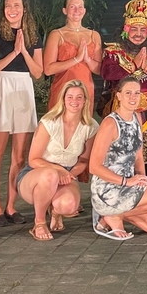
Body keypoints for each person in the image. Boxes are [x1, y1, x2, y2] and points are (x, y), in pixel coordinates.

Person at [0, 0, 44, 227]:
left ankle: (11, 206)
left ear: (24, 9)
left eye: (16, 5)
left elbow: (38, 73)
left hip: (23, 90)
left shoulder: (32, 36)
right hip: (1, 88)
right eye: (8, 6)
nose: (12, 9)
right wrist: (13, 53)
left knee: (19, 156)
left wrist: (24, 51)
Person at [90, 75, 147, 239]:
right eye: (128, 93)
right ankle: (111, 213)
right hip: (109, 189)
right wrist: (126, 182)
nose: (133, 97)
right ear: (119, 95)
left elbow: (138, 155)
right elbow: (94, 167)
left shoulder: (136, 118)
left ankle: (116, 215)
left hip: (130, 183)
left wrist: (142, 178)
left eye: (137, 93)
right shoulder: (110, 124)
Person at [17, 80, 99, 240]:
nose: (74, 101)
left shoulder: (90, 126)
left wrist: (68, 175)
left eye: (79, 97)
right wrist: (59, 170)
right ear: (63, 99)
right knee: (50, 175)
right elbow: (33, 159)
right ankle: (39, 222)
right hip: (37, 174)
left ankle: (55, 211)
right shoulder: (49, 122)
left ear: (84, 101)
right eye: (70, 97)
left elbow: (83, 161)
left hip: (67, 173)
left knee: (68, 206)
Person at [100, 0, 147, 173]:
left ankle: (146, 191)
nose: (138, 34)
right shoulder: (113, 51)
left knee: (146, 156)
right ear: (126, 29)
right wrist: (133, 66)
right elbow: (107, 73)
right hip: (120, 112)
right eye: (134, 29)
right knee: (120, 154)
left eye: (143, 30)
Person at [43, 0, 102, 111]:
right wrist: (76, 59)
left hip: (85, 90)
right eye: (72, 7)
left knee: (83, 127)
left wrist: (87, 59)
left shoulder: (94, 35)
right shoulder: (56, 34)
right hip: (63, 90)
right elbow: (48, 70)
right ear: (64, 10)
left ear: (84, 11)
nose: (77, 10)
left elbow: (99, 70)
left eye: (80, 7)